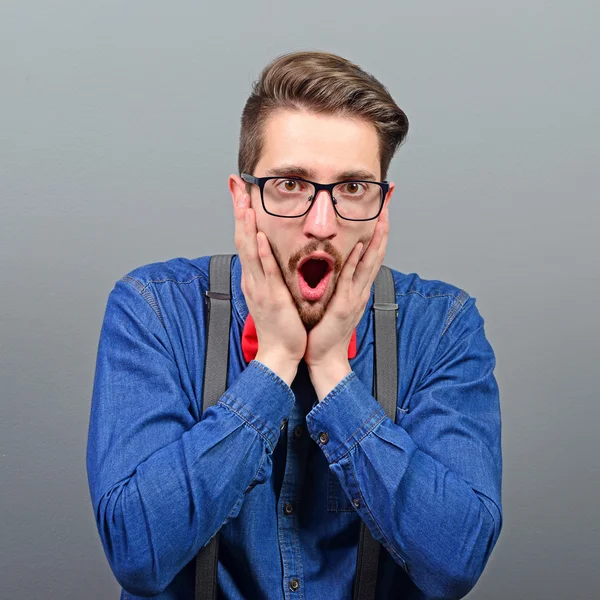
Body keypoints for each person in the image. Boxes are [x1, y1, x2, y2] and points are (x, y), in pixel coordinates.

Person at [86, 50, 503, 600]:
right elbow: (136, 554)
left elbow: (456, 563)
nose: (322, 224)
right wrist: (274, 364)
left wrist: (332, 372)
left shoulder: (443, 326)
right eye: (290, 184)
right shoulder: (154, 311)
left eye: (353, 188)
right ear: (244, 201)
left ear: (383, 206)